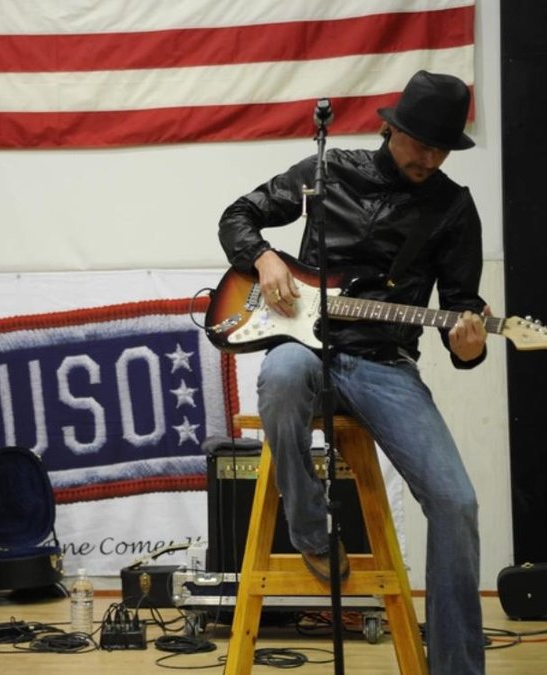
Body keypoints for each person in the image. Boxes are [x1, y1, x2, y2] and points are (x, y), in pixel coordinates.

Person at [217, 71, 488, 675]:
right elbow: (237, 216)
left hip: (386, 361)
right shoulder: (325, 169)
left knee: (458, 502)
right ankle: (311, 527)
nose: (430, 157)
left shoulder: (452, 208)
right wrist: (263, 257)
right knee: (280, 377)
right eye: (420, 142)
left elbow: (462, 318)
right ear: (388, 128)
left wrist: (471, 345)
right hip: (306, 345)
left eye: (442, 147)